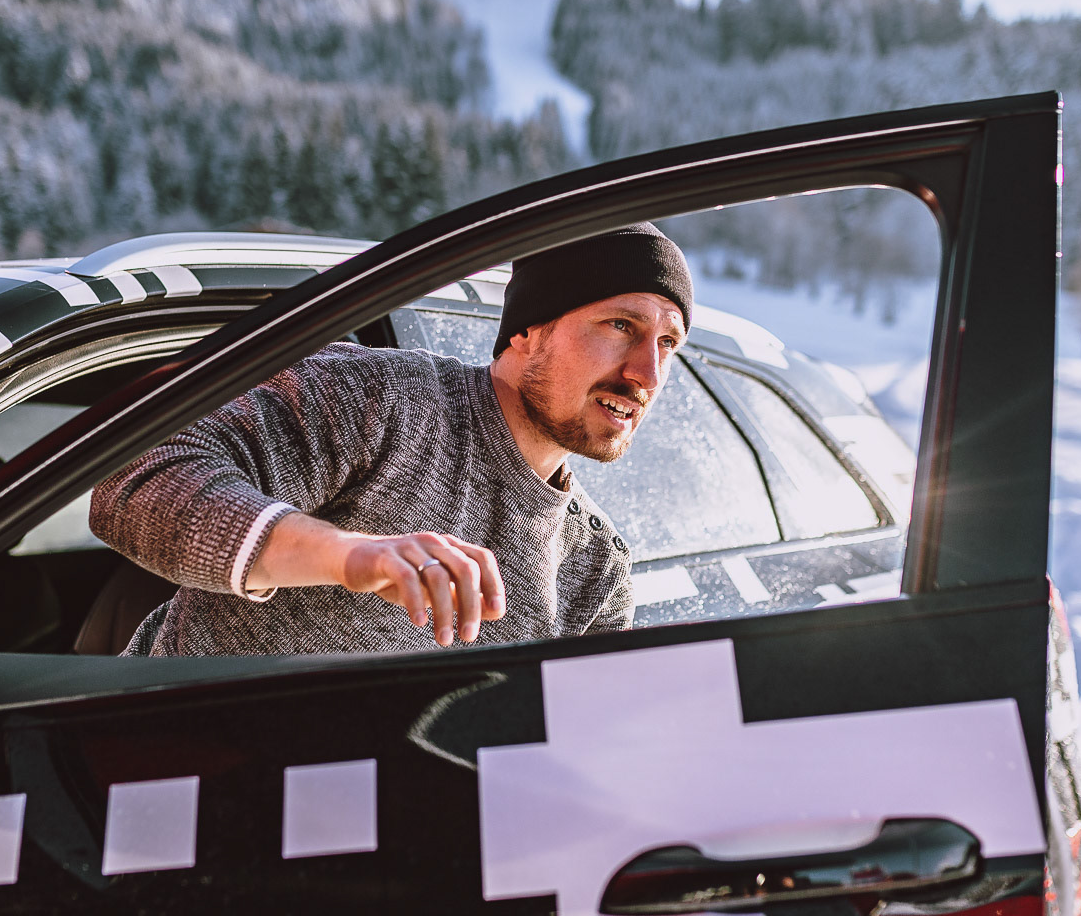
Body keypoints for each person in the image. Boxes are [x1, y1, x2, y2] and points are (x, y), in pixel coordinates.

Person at [90, 223, 694, 657]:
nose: (647, 373)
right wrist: (350, 557)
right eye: (621, 326)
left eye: (668, 344)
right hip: (157, 794)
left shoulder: (595, 569)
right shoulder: (382, 400)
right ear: (529, 329)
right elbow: (134, 476)